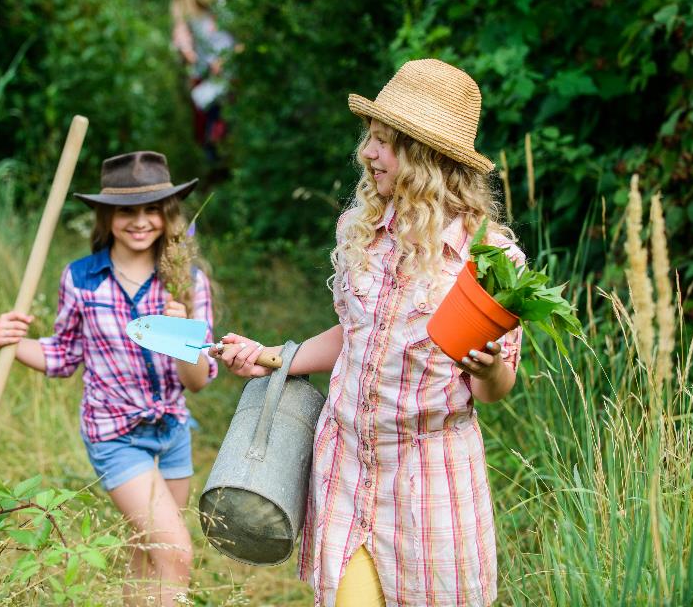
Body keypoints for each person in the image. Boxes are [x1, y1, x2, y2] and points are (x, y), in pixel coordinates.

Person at [213, 60, 523, 607]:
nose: (368, 154)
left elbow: (494, 390)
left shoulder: (488, 259)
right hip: (348, 466)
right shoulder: (365, 233)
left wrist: (489, 368)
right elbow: (353, 337)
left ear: (426, 159)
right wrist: (271, 357)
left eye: (384, 143)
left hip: (429, 479)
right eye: (371, 139)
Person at [0, 151, 217, 606]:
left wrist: (182, 335)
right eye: (126, 211)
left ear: (166, 214)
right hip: (114, 434)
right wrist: (8, 341)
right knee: (175, 554)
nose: (140, 221)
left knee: (147, 555)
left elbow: (198, 381)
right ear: (107, 216)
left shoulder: (184, 282)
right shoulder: (82, 279)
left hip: (171, 432)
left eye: (151, 209)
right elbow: (63, 356)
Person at [170, 0, 239, 163]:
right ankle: (215, 164)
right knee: (207, 120)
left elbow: (243, 37)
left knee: (225, 121)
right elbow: (181, 33)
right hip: (205, 75)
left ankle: (227, 163)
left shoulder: (228, 2)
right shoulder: (187, 7)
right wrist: (186, 51)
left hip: (231, 75)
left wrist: (227, 60)